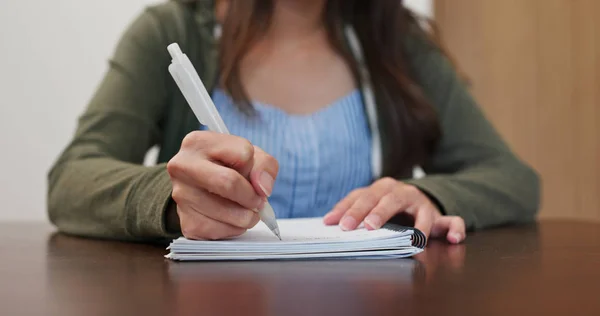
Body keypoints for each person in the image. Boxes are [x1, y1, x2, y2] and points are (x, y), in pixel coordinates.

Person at [47, 0, 540, 245]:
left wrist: (431, 196)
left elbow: (514, 180)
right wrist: (170, 199)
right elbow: (70, 180)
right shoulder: (170, 32)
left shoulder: (397, 44)